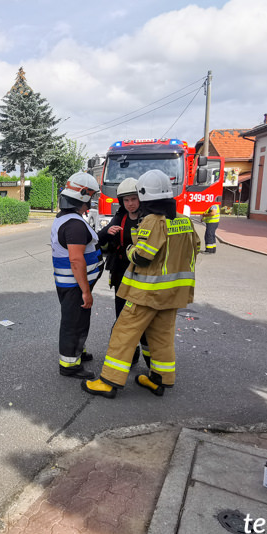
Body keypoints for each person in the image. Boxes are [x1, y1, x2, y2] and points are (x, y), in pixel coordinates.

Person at [81, 169, 201, 399]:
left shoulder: (152, 222)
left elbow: (142, 256)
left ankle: (108, 381)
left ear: (145, 196)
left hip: (147, 293)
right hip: (174, 293)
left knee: (123, 333)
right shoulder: (185, 222)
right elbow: (194, 249)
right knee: (161, 336)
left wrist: (129, 249)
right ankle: (161, 379)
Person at [97, 177, 152, 372]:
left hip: (144, 276)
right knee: (121, 316)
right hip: (121, 274)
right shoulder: (119, 217)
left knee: (144, 320)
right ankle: (130, 354)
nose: (130, 204)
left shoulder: (150, 218)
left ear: (141, 199)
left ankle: (151, 361)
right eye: (126, 200)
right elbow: (99, 239)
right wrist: (106, 232)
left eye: (133, 199)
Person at [51, 172, 102, 379]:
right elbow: (76, 260)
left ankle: (77, 352)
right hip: (75, 286)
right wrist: (86, 292)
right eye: (90, 198)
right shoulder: (74, 225)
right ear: (82, 196)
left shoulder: (64, 219)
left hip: (69, 284)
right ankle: (70, 365)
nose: (90, 204)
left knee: (78, 321)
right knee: (73, 324)